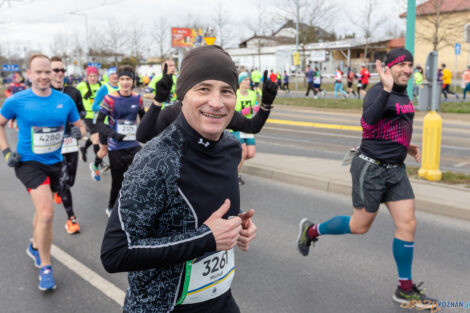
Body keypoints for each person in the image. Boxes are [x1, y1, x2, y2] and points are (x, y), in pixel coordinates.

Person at [101, 45, 261, 312]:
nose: (217, 102)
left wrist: (237, 222)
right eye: (203, 89)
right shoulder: (157, 159)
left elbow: (198, 212)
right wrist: (207, 238)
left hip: (219, 301)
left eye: (226, 91)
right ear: (183, 95)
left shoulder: (231, 148)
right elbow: (115, 253)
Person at [296, 48, 438, 310]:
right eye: (401, 65)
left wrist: (406, 146)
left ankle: (404, 289)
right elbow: (368, 123)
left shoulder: (402, 92)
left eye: (410, 65)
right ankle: (311, 230)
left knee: (408, 224)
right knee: (360, 226)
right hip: (370, 169)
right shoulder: (378, 91)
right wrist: (384, 90)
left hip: (396, 169)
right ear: (389, 67)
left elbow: (389, 125)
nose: (407, 69)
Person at [0, 54, 85, 290]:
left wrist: (80, 133)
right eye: (38, 72)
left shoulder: (64, 101)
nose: (44, 76)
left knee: (42, 208)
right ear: (29, 74)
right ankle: (46, 267)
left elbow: (80, 126)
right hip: (28, 163)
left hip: (55, 162)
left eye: (47, 71)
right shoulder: (17, 101)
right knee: (47, 213)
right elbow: (1, 123)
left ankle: (34, 246)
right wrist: (6, 151)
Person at [95, 65, 145, 217]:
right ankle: (111, 206)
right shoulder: (110, 98)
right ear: (118, 81)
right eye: (122, 79)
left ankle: (131, 206)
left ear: (132, 80)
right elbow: (99, 122)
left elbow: (145, 120)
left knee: (137, 178)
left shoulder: (138, 98)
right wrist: (114, 134)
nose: (125, 83)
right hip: (116, 147)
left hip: (133, 145)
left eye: (128, 79)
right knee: (117, 181)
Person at [50, 56, 86, 234]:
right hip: (52, 146)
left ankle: (57, 189)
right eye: (55, 70)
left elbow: (82, 114)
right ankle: (71, 218)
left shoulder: (73, 92)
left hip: (71, 143)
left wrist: (80, 130)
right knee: (64, 181)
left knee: (69, 180)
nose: (59, 73)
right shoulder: (44, 93)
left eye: (62, 70)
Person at [233, 72, 259, 185]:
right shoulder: (235, 94)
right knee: (242, 153)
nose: (248, 81)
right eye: (245, 80)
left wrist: (256, 108)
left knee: (251, 153)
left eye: (249, 79)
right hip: (237, 126)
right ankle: (235, 177)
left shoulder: (252, 94)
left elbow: (255, 106)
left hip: (248, 126)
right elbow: (230, 113)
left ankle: (233, 163)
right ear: (240, 82)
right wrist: (241, 112)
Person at [76, 66, 102, 180]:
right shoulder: (81, 86)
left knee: (97, 138)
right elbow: (74, 98)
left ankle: (84, 148)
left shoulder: (102, 85)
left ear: (98, 76)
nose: (93, 78)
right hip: (88, 116)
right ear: (87, 76)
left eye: (95, 76)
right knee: (96, 138)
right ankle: (98, 163)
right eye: (91, 76)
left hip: (101, 115)